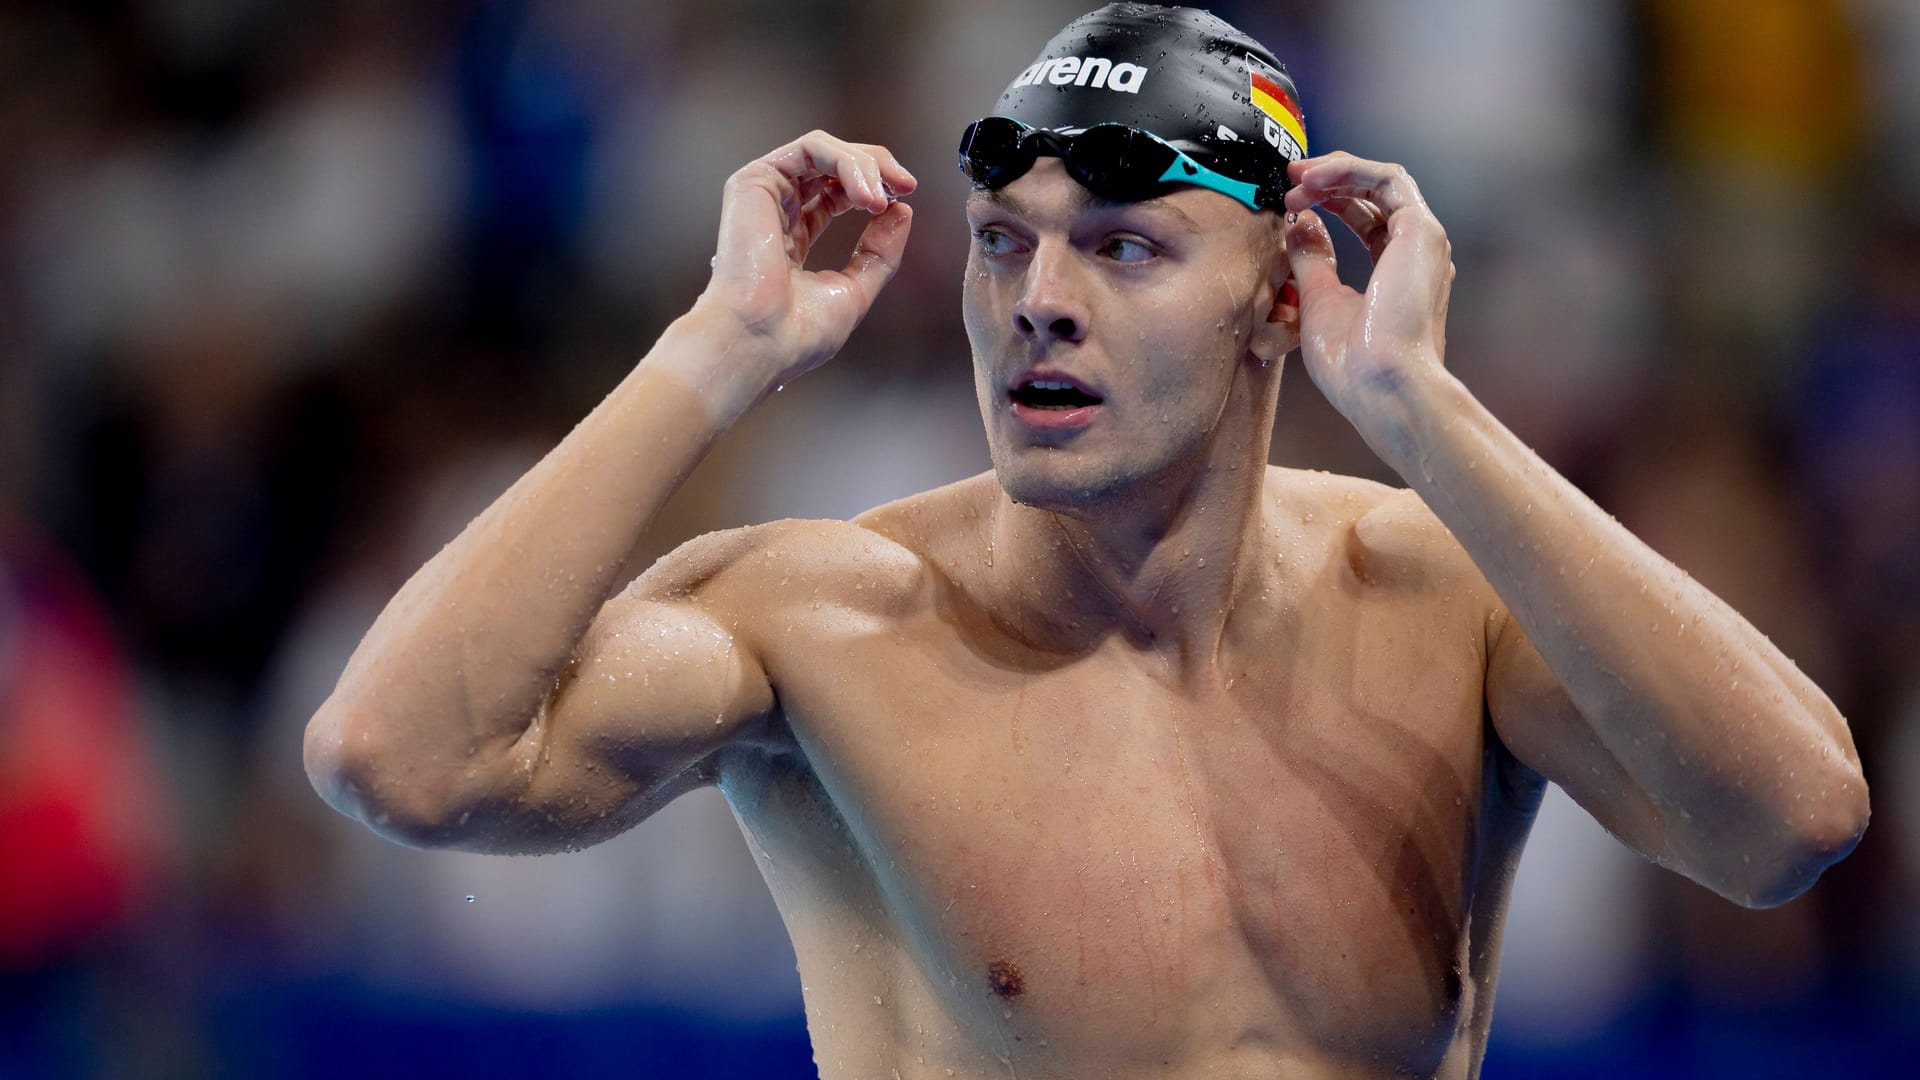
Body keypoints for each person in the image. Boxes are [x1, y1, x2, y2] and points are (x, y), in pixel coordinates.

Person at [304, 5, 1868, 1076]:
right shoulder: (826, 627)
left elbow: (1787, 823)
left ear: (1281, 295)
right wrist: (714, 350)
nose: (1040, 296)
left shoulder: (1439, 602)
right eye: (1005, 242)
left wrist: (1421, 407)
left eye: (1124, 245)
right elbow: (397, 762)